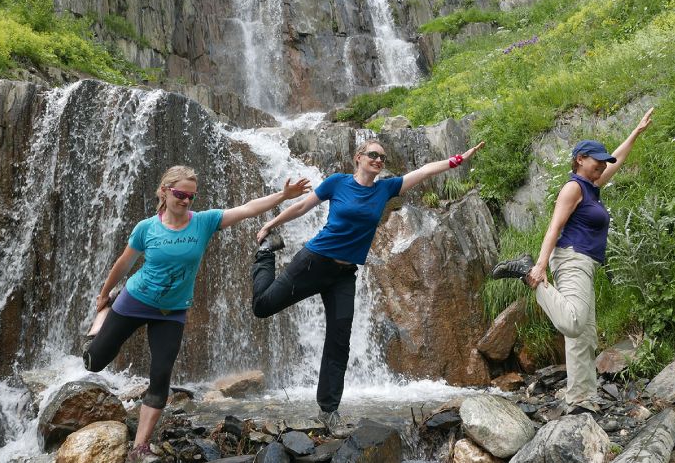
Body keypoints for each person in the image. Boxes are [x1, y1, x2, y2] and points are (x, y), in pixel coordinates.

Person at [252, 138, 485, 436]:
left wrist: (457, 159)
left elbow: (425, 170)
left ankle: (328, 411)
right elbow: (301, 207)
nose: (378, 160)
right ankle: (265, 254)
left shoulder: (385, 189)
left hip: (344, 274)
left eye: (382, 158)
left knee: (339, 340)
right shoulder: (337, 183)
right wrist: (270, 226)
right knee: (263, 306)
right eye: (373, 154)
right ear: (358, 157)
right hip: (314, 261)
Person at [83, 165, 310, 463]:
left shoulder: (203, 222)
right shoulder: (146, 228)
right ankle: (101, 321)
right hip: (135, 300)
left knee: (161, 376)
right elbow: (124, 264)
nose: (186, 200)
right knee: (94, 362)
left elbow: (247, 209)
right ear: (164, 191)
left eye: (191, 196)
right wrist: (103, 296)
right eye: (180, 194)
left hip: (172, 311)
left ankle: (140, 447)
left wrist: (283, 195)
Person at [492, 108, 653, 410]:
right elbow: (554, 227)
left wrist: (636, 132)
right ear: (580, 159)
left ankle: (581, 399)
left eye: (603, 162)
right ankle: (527, 273)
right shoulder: (573, 187)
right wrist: (540, 266)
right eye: (597, 161)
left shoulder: (592, 187)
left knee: (585, 338)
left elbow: (617, 160)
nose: (602, 166)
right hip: (570, 258)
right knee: (574, 323)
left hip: (586, 264)